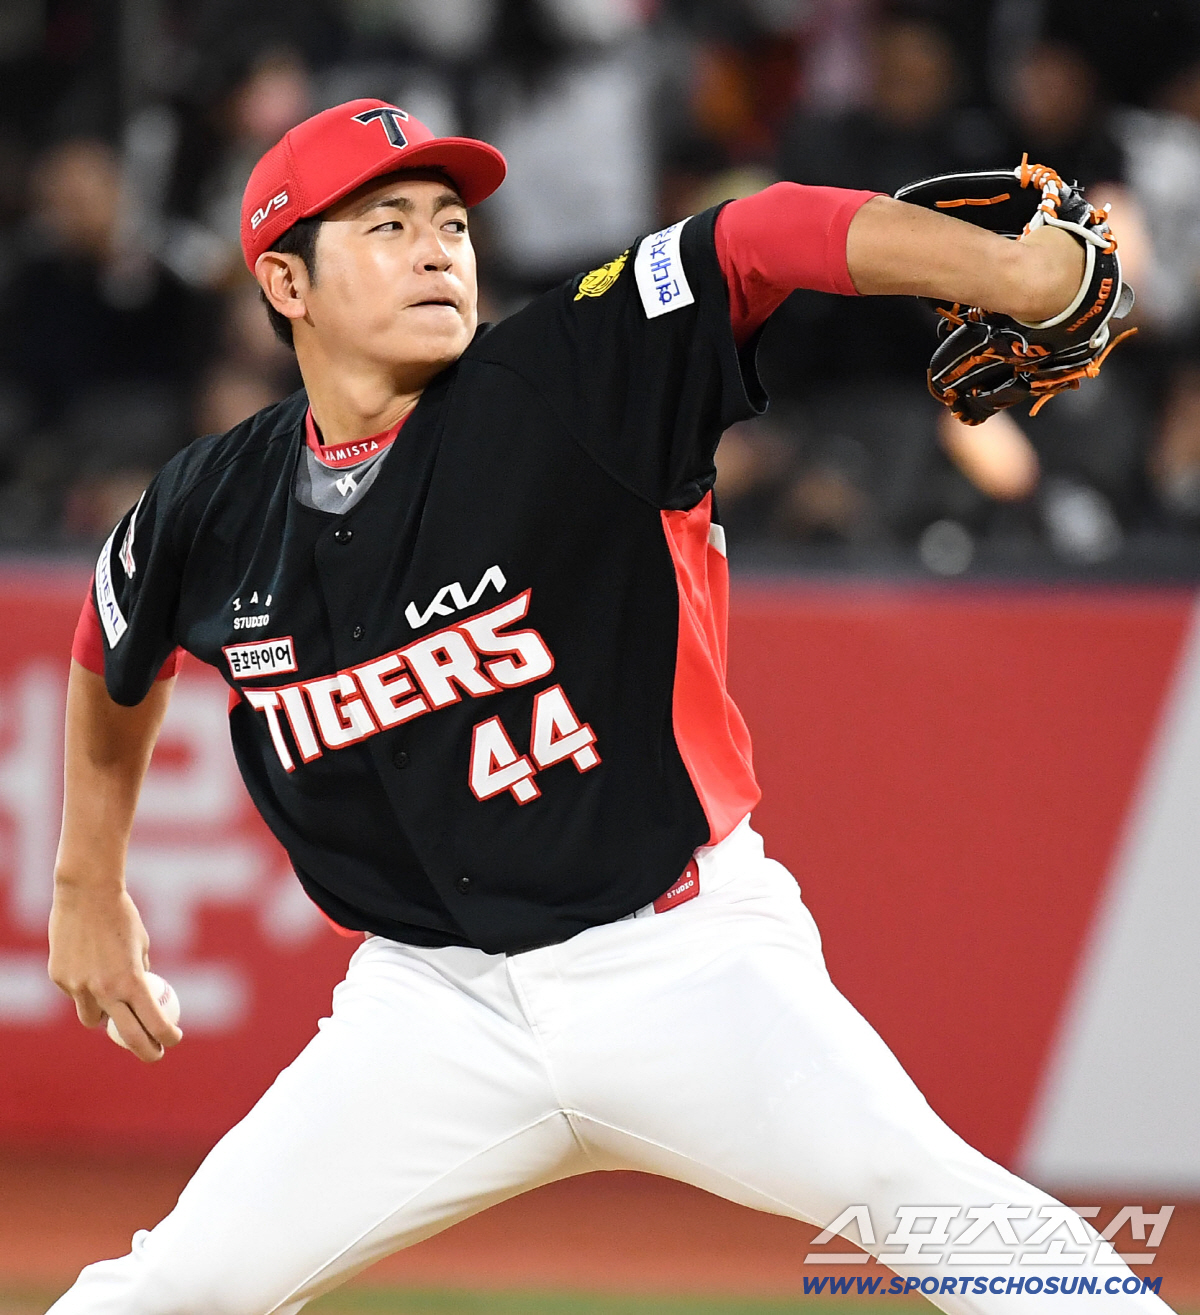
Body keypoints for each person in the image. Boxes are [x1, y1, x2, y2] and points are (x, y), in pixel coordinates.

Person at [46, 100, 1171, 1313]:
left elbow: (754, 237)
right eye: (388, 226)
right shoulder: (214, 500)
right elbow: (112, 641)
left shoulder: (571, 374)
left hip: (683, 960)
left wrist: (1009, 272)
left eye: (451, 224)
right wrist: (85, 883)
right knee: (180, 1284)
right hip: (432, 1009)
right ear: (286, 281)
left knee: (936, 1203)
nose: (438, 251)